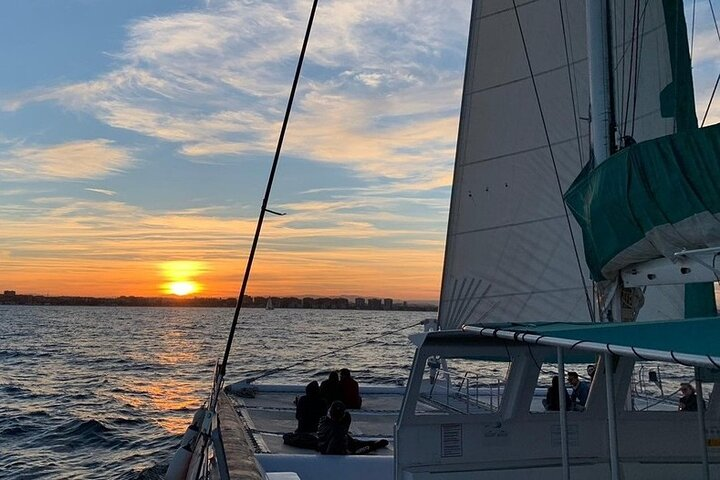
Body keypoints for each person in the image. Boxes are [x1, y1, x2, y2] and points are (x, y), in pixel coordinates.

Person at [317, 401, 388, 455]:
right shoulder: (337, 433)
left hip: (336, 439)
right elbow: (335, 451)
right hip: (341, 445)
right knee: (356, 444)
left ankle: (373, 444)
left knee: (354, 442)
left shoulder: (324, 422)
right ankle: (373, 444)